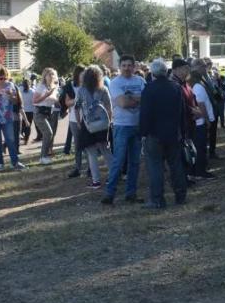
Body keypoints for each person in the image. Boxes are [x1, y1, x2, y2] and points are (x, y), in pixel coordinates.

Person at [139, 59, 187, 208]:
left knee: (155, 167)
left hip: (154, 134)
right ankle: (180, 196)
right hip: (173, 132)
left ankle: (157, 199)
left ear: (152, 73)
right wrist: (183, 132)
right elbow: (182, 112)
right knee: (176, 165)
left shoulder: (149, 89)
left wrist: (143, 132)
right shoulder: (176, 87)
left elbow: (145, 113)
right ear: (167, 72)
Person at [101, 55, 146, 204]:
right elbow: (123, 103)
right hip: (121, 126)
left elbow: (147, 99)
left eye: (129, 65)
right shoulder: (115, 83)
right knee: (118, 160)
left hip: (138, 126)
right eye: (124, 65)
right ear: (120, 67)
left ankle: (131, 194)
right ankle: (109, 194)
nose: (127, 68)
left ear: (134, 67)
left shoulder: (140, 81)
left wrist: (131, 98)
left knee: (135, 161)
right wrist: (138, 98)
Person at [74, 65, 113, 189]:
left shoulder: (81, 90)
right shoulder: (104, 89)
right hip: (102, 124)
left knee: (91, 153)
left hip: (88, 125)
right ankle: (113, 176)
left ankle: (96, 181)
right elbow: (109, 108)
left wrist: (79, 122)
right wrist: (109, 121)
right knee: (106, 150)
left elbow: (76, 107)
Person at [0, 67, 27, 172]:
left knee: (11, 140)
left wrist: (10, 96)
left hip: (7, 117)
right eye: (1, 78)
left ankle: (15, 162)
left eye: (5, 78)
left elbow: (16, 101)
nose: (3, 80)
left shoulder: (10, 85)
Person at [187, 69, 216, 180]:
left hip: (199, 121)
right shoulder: (198, 88)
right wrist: (207, 120)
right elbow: (201, 105)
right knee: (200, 147)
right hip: (200, 122)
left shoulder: (195, 87)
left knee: (199, 146)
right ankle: (200, 171)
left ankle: (196, 170)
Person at [33, 68, 60, 165]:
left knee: (49, 134)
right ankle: (43, 157)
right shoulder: (41, 87)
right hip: (39, 113)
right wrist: (46, 95)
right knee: (48, 133)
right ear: (45, 76)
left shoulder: (53, 87)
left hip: (48, 113)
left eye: (53, 74)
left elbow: (55, 100)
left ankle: (44, 156)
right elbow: (35, 101)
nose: (52, 76)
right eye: (49, 74)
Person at [63, 65, 86, 178]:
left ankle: (91, 168)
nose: (84, 75)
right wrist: (77, 99)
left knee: (88, 144)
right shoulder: (70, 86)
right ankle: (78, 168)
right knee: (77, 145)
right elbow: (67, 103)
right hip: (74, 119)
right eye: (82, 73)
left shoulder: (89, 85)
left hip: (88, 118)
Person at [20, 76, 35, 144]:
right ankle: (26, 139)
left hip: (22, 110)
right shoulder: (32, 91)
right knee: (28, 125)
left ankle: (22, 135)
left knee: (23, 125)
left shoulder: (20, 90)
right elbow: (33, 102)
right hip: (31, 110)